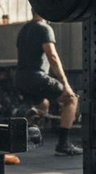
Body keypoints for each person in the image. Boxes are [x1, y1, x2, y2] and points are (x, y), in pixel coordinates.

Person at [14, 13, 82, 156]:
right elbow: (52, 56)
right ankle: (63, 145)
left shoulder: (24, 29)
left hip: (20, 77)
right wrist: (66, 84)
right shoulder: (44, 28)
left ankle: (24, 133)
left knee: (43, 104)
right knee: (71, 99)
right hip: (36, 77)